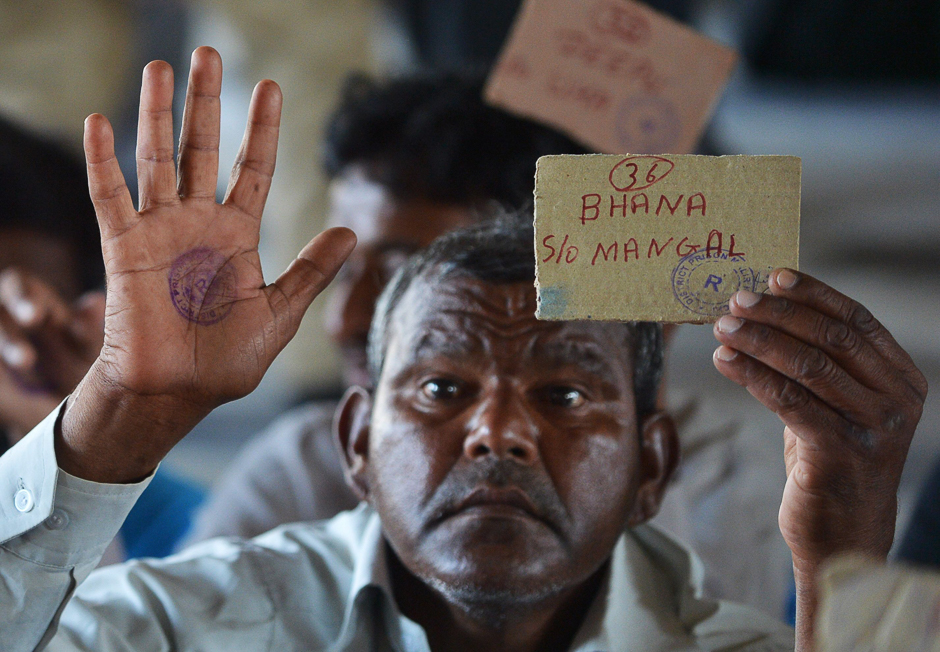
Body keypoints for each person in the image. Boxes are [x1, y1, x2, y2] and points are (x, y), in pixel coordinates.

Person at [0, 48, 928, 651]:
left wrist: (842, 551)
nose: (498, 432)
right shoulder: (207, 622)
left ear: (654, 463)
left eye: (566, 396)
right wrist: (122, 414)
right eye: (441, 386)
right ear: (354, 440)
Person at [183, 69, 591, 539]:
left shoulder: (679, 472)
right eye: (345, 273)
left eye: (402, 276)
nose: (342, 323)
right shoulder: (302, 473)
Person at [0, 117, 204, 561]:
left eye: (37, 318)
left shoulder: (176, 527)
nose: (11, 342)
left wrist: (68, 460)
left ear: (89, 313)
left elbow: (91, 627)